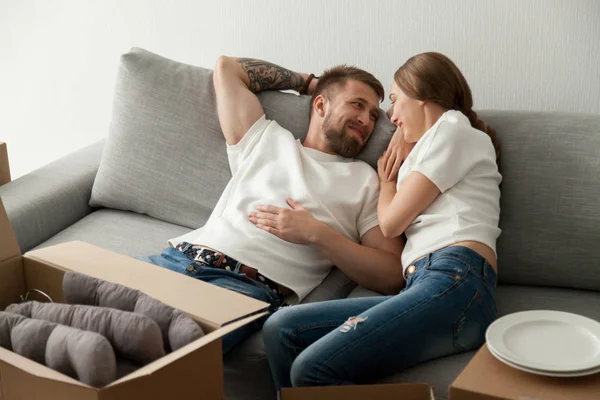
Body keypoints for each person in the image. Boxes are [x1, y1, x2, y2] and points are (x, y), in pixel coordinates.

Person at [262, 52, 501, 389]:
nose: (390, 115)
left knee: (310, 369)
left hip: (457, 283)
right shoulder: (432, 146)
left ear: (421, 96)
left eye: (394, 100)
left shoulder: (455, 129)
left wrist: (387, 180)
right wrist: (405, 142)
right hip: (426, 284)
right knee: (281, 328)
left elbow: (391, 225)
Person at [138, 56, 404, 354]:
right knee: (81, 312)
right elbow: (228, 68)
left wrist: (317, 234)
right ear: (320, 105)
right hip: (176, 258)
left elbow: (393, 273)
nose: (367, 120)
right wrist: (309, 82)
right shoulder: (266, 138)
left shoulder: (364, 181)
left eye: (372, 115)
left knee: (154, 351)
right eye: (357, 105)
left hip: (240, 288)